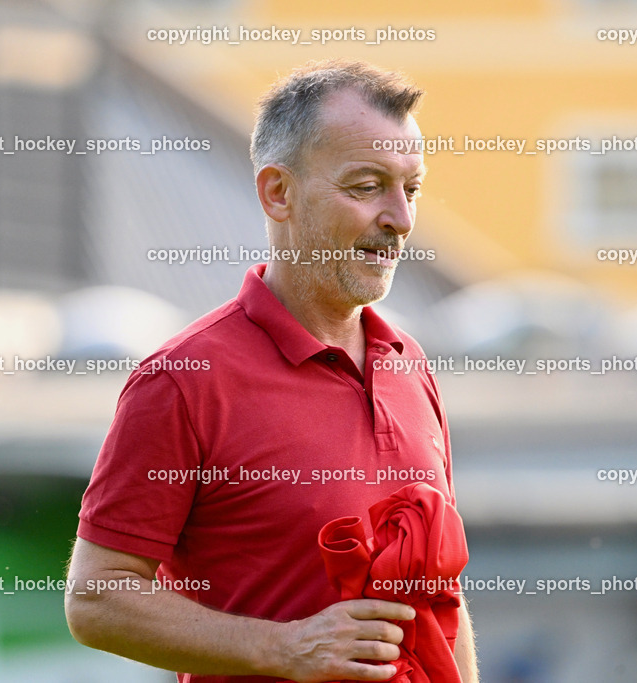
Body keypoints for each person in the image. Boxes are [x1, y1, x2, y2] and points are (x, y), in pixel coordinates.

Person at [64, 59, 478, 683]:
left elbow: (441, 597)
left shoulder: (410, 367)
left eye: (410, 188)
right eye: (367, 186)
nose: (400, 217)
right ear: (277, 192)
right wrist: (285, 648)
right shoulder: (185, 378)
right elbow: (96, 599)